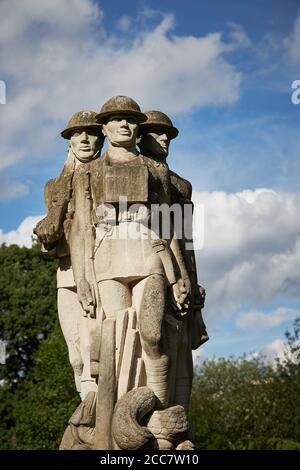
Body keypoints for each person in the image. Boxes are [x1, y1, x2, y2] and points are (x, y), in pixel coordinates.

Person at [69, 96, 191, 415]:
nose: (124, 124)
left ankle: (159, 412)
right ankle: (122, 418)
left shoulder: (155, 169)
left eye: (131, 120)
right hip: (107, 261)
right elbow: (82, 230)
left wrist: (180, 277)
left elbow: (169, 227)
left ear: (138, 129)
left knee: (151, 334)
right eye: (117, 119)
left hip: (148, 255)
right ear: (105, 128)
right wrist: (82, 280)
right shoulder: (88, 172)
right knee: (115, 341)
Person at [139, 110, 208, 411]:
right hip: (147, 262)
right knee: (154, 339)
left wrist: (192, 278)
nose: (165, 138)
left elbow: (186, 238)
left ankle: (176, 425)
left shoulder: (181, 185)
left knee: (181, 351)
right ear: (142, 136)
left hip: (179, 265)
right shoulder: (135, 170)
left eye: (167, 134)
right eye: (157, 132)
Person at [34, 110, 104, 399]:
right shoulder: (53, 186)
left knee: (93, 346)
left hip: (99, 266)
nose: (84, 139)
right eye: (77, 134)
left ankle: (101, 402)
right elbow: (48, 238)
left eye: (91, 133)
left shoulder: (106, 175)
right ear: (69, 142)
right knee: (75, 353)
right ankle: (87, 402)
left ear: (101, 140)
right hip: (66, 270)